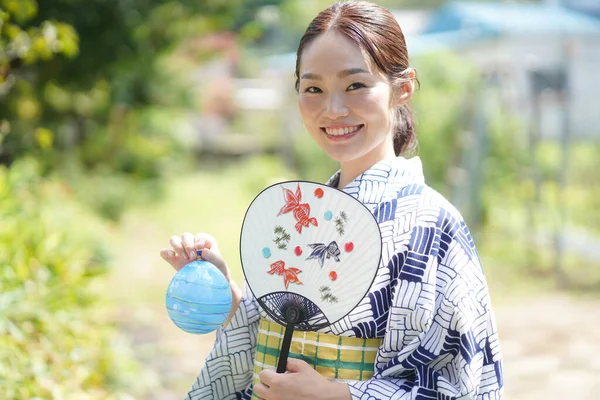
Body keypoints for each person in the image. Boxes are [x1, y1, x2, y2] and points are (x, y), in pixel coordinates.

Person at [160, 1, 504, 399]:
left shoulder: (433, 223)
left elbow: (462, 383)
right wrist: (227, 292)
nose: (333, 109)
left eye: (355, 85)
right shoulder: (301, 214)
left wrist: (338, 395)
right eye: (314, 89)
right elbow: (273, 337)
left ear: (402, 88)